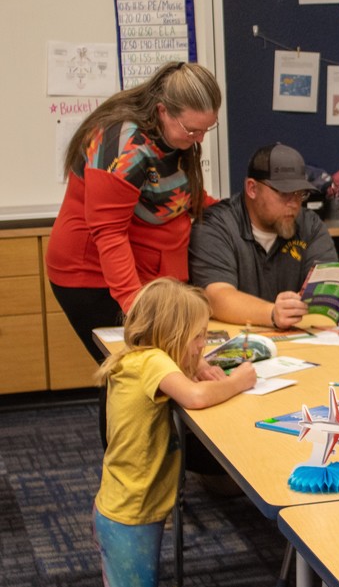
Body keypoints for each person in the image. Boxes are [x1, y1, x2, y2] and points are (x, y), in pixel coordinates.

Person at [19, 278, 256, 587]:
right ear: (174, 334)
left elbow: (183, 383)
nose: (202, 345)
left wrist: (197, 368)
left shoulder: (140, 357)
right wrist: (239, 380)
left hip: (117, 510)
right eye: (199, 337)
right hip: (131, 518)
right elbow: (194, 397)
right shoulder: (154, 364)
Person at [46, 61, 221, 365]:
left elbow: (181, 194)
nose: (200, 139)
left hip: (145, 270)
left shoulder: (175, 134)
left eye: (207, 128)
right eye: (193, 129)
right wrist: (139, 311)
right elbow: (109, 233)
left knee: (156, 368)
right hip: (91, 274)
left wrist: (233, 212)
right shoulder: (123, 144)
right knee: (129, 368)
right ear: (163, 110)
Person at [188, 143, 339, 329]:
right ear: (252, 188)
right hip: (240, 343)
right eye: (284, 193)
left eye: (300, 194)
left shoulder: (311, 225)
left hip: (300, 341)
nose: (294, 203)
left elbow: (327, 290)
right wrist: (272, 313)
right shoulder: (215, 225)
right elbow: (216, 296)